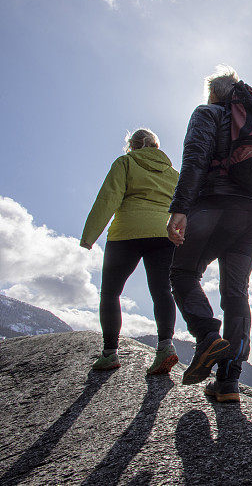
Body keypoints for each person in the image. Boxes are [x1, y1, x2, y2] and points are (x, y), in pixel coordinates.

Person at [167, 65, 252, 402]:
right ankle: (228, 382)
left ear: (213, 93)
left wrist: (180, 208)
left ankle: (206, 336)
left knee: (183, 272)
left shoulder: (208, 113)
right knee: (236, 292)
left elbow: (195, 159)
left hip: (213, 204)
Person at [80, 128, 180, 374]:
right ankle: (166, 347)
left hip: (126, 234)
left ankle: (109, 354)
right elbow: (183, 206)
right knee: (162, 291)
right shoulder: (174, 173)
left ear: (133, 146)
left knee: (111, 293)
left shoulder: (125, 162)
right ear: (156, 147)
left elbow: (109, 198)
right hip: (163, 233)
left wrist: (89, 236)